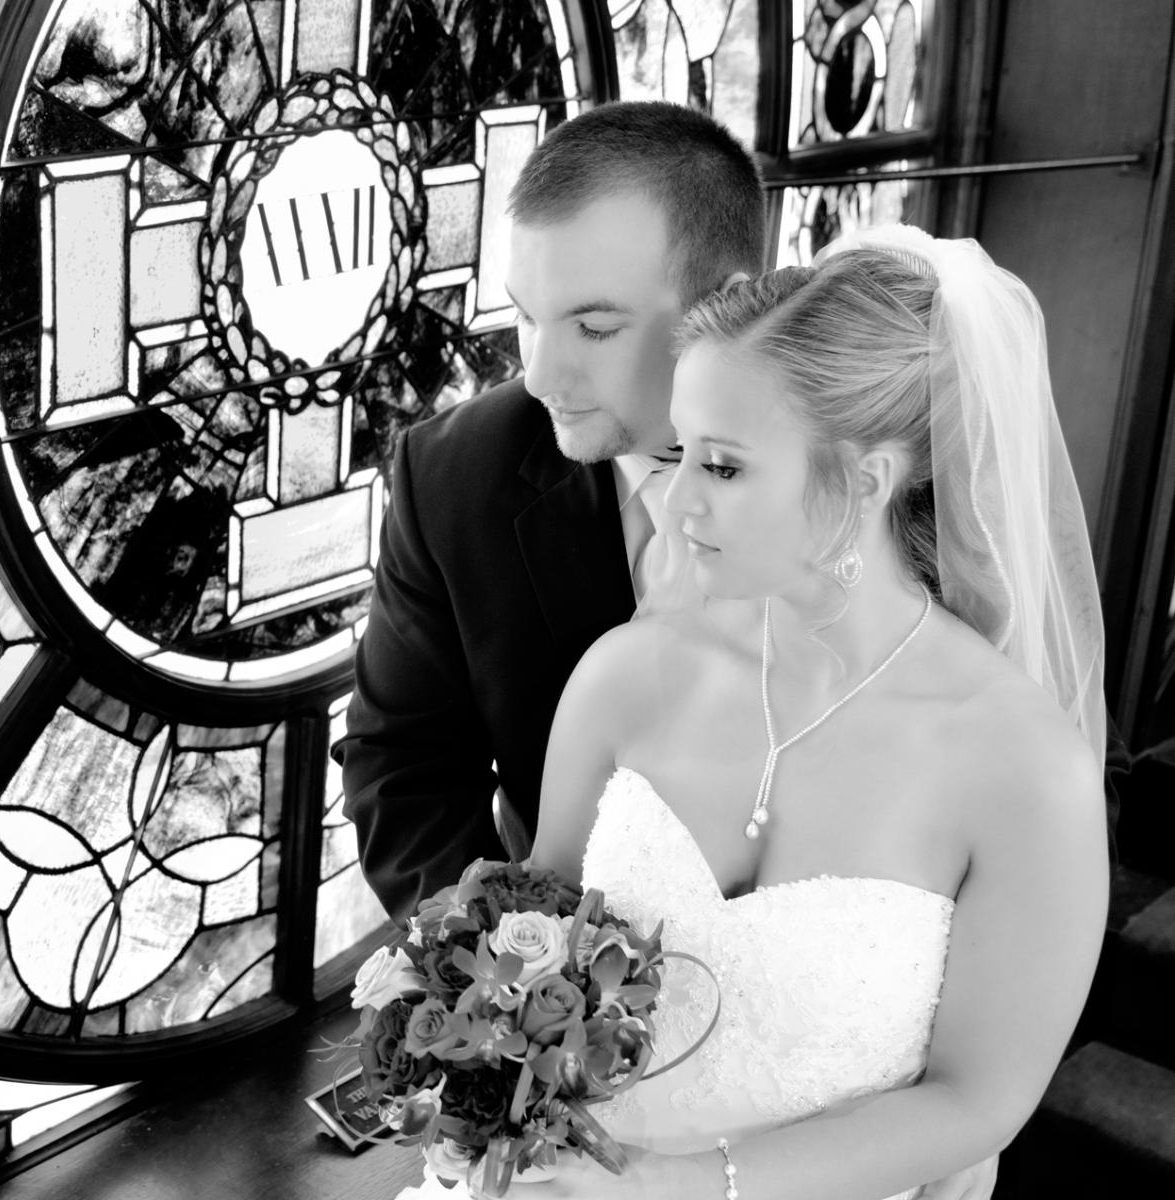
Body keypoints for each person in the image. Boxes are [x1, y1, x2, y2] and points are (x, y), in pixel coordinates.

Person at [504, 228, 1107, 1199]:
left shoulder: (1025, 770)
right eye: (679, 454)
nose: (673, 506)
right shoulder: (623, 678)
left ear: (863, 481)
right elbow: (527, 933)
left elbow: (975, 1099)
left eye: (726, 468)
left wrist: (686, 1184)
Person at [334, 101, 762, 924]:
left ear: (726, 305)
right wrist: (504, 978)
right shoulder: (452, 473)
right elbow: (402, 764)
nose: (536, 375)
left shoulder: (865, 463)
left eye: (593, 328)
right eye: (526, 317)